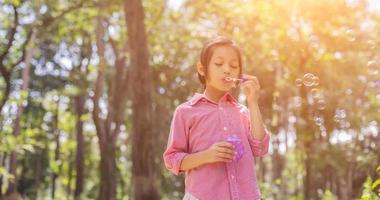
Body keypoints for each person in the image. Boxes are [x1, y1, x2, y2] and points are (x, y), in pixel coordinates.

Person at [163, 36, 270, 200]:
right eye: (219, 64)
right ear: (202, 69)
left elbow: (260, 148)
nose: (227, 69)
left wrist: (253, 102)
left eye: (234, 66)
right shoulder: (186, 112)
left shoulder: (243, 112)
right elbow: (172, 159)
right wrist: (207, 156)